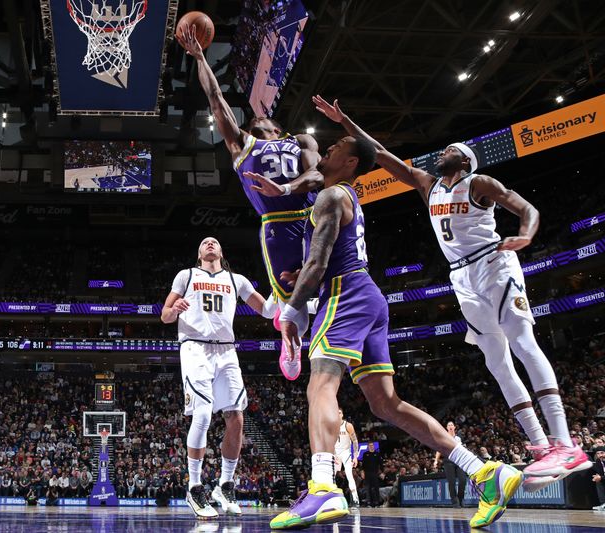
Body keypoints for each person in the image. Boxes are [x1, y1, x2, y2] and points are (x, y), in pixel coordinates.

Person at [314, 96, 593, 487]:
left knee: (523, 342)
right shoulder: (428, 187)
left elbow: (527, 209)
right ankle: (542, 446)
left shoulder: (478, 183)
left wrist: (526, 236)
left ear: (464, 161)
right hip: (461, 278)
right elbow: (379, 153)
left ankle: (565, 442)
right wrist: (345, 120)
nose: (442, 152)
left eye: (450, 150)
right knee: (496, 362)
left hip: (494, 264)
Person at [267, 130, 522, 530]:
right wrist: (303, 272)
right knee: (385, 404)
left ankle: (322, 487)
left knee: (320, 384)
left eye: (335, 149)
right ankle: (483, 472)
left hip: (344, 294)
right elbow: (322, 259)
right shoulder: (343, 198)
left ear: (351, 163)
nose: (328, 150)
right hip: (368, 296)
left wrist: (289, 313)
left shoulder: (332, 196)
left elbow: (320, 266)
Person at [178, 25, 321, 381]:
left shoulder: (300, 140)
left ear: (274, 125)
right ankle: (291, 340)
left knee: (327, 280)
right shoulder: (243, 145)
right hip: (278, 226)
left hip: (314, 215)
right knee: (290, 294)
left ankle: (308, 315)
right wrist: (200, 58)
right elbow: (216, 99)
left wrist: (285, 189)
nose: (254, 119)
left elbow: (318, 177)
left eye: (260, 119)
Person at [161, 237, 276, 519]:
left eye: (214, 242)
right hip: (195, 347)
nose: (210, 243)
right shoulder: (186, 275)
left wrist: (285, 289)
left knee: (236, 416)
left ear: (221, 252)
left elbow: (269, 311)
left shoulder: (237, 280)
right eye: (204, 242)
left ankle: (225, 484)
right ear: (199, 252)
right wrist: (174, 310)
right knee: (202, 415)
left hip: (226, 350)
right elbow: (164, 315)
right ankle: (195, 486)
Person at [433, 421, 467, 507]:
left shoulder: (459, 438)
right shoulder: (443, 437)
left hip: (459, 461)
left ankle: (460, 498)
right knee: (451, 482)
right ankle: (454, 501)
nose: (450, 426)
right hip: (448, 460)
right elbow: (439, 449)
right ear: (446, 428)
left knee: (463, 480)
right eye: (449, 425)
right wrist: (436, 460)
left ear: (454, 427)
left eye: (452, 425)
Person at [333, 407, 359, 508]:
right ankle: (333, 499)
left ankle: (355, 499)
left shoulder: (348, 425)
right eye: (336, 413)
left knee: (349, 475)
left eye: (339, 413)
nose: (338, 415)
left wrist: (355, 457)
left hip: (346, 453)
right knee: (332, 477)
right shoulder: (332, 426)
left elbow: (355, 441)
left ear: (342, 414)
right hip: (336, 453)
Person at [360, 442, 381, 507]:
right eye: (370, 445)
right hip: (367, 473)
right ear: (368, 447)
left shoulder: (377, 454)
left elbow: (380, 463)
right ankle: (369, 502)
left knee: (376, 488)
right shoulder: (365, 454)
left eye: (372, 445)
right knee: (368, 488)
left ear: (374, 446)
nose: (371, 446)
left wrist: (381, 472)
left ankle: (377, 502)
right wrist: (362, 472)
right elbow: (363, 465)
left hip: (375, 473)